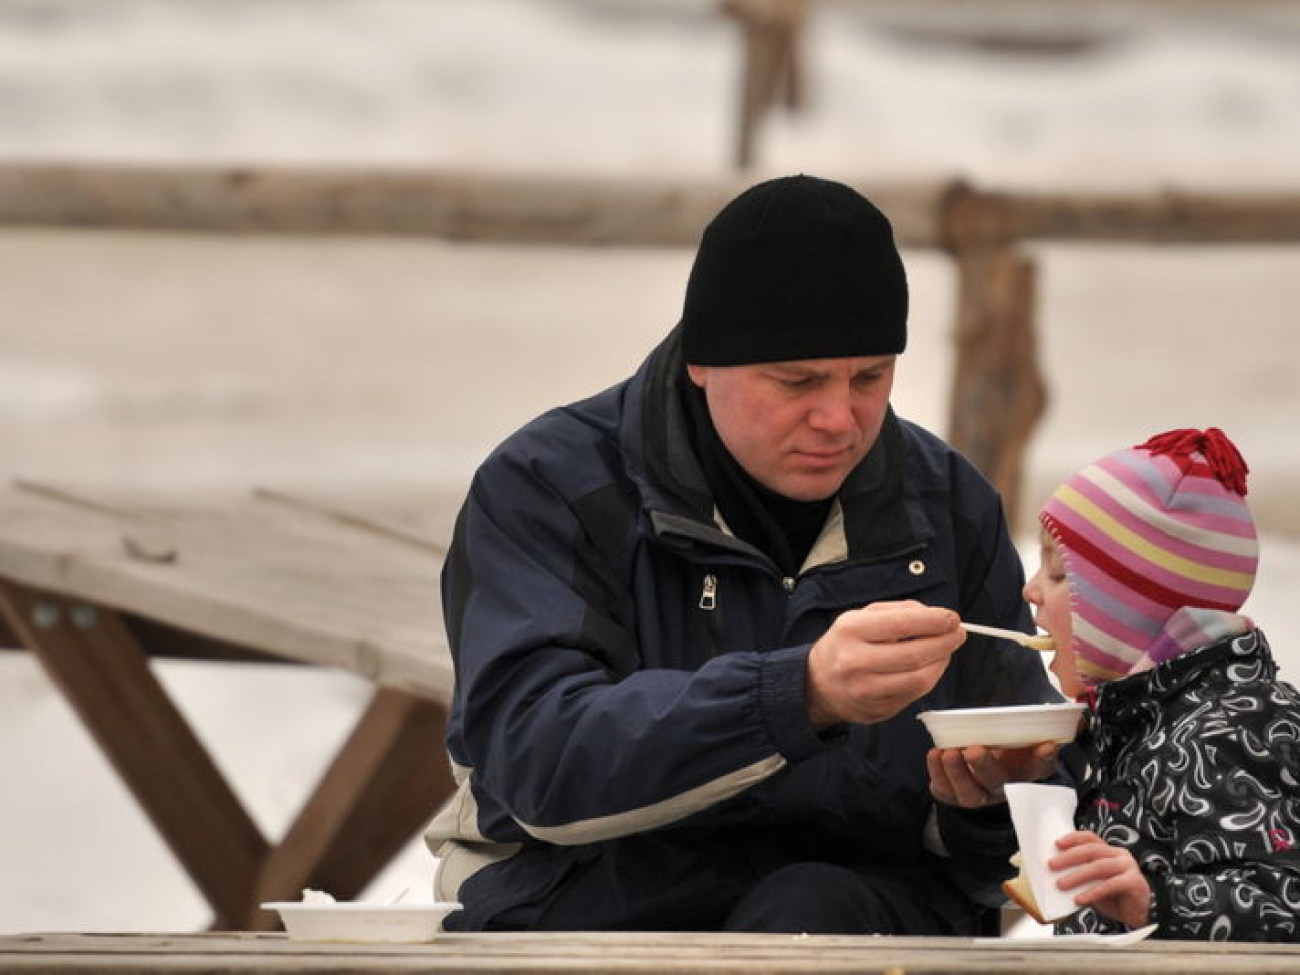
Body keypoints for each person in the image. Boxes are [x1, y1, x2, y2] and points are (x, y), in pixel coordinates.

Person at [427, 174, 1064, 934]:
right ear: (703, 359)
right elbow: (536, 768)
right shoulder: (551, 485)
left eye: (871, 376)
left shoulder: (948, 503)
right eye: (797, 380)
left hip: (847, 916)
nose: (840, 418)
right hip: (587, 903)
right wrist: (800, 693)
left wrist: (990, 802)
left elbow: (1009, 855)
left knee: (811, 911)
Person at [1022, 427, 1300, 941]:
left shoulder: (1237, 727)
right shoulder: (1136, 718)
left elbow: (1285, 906)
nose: (1031, 590)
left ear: (1127, 609)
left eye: (1059, 574)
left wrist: (1154, 901)